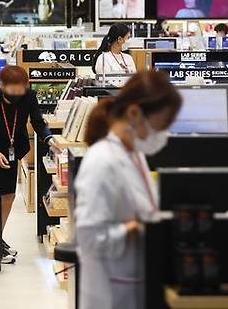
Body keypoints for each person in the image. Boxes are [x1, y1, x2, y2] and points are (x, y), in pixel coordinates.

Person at [74, 70, 182, 309]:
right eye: (161, 125)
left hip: (138, 283)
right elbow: (89, 239)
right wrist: (130, 230)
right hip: (111, 293)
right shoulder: (101, 161)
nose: (163, 135)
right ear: (134, 113)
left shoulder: (134, 155)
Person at [0, 65, 58, 263]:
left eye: (22, 88)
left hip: (11, 151)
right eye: (15, 89)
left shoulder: (29, 97)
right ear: (2, 86)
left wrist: (48, 138)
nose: (20, 93)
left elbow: (37, 121)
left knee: (8, 196)